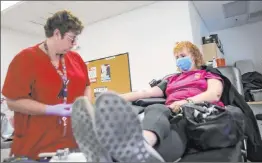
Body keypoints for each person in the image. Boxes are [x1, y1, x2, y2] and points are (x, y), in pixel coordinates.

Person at [70, 41, 225, 162]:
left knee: (166, 115)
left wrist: (185, 102)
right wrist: (116, 98)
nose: (179, 60)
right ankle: (109, 153)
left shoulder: (207, 74)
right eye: (177, 58)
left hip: (197, 110)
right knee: (158, 117)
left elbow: (214, 94)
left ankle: (142, 143)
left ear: (194, 56)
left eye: (182, 56)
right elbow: (146, 92)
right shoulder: (171, 79)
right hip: (172, 112)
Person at [2, 10, 91, 160]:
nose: (74, 44)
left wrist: (86, 105)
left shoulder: (76, 59)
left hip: (73, 145)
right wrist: (49, 109)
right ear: (57, 33)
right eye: (71, 38)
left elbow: (87, 85)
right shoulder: (25, 59)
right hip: (35, 148)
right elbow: (12, 102)